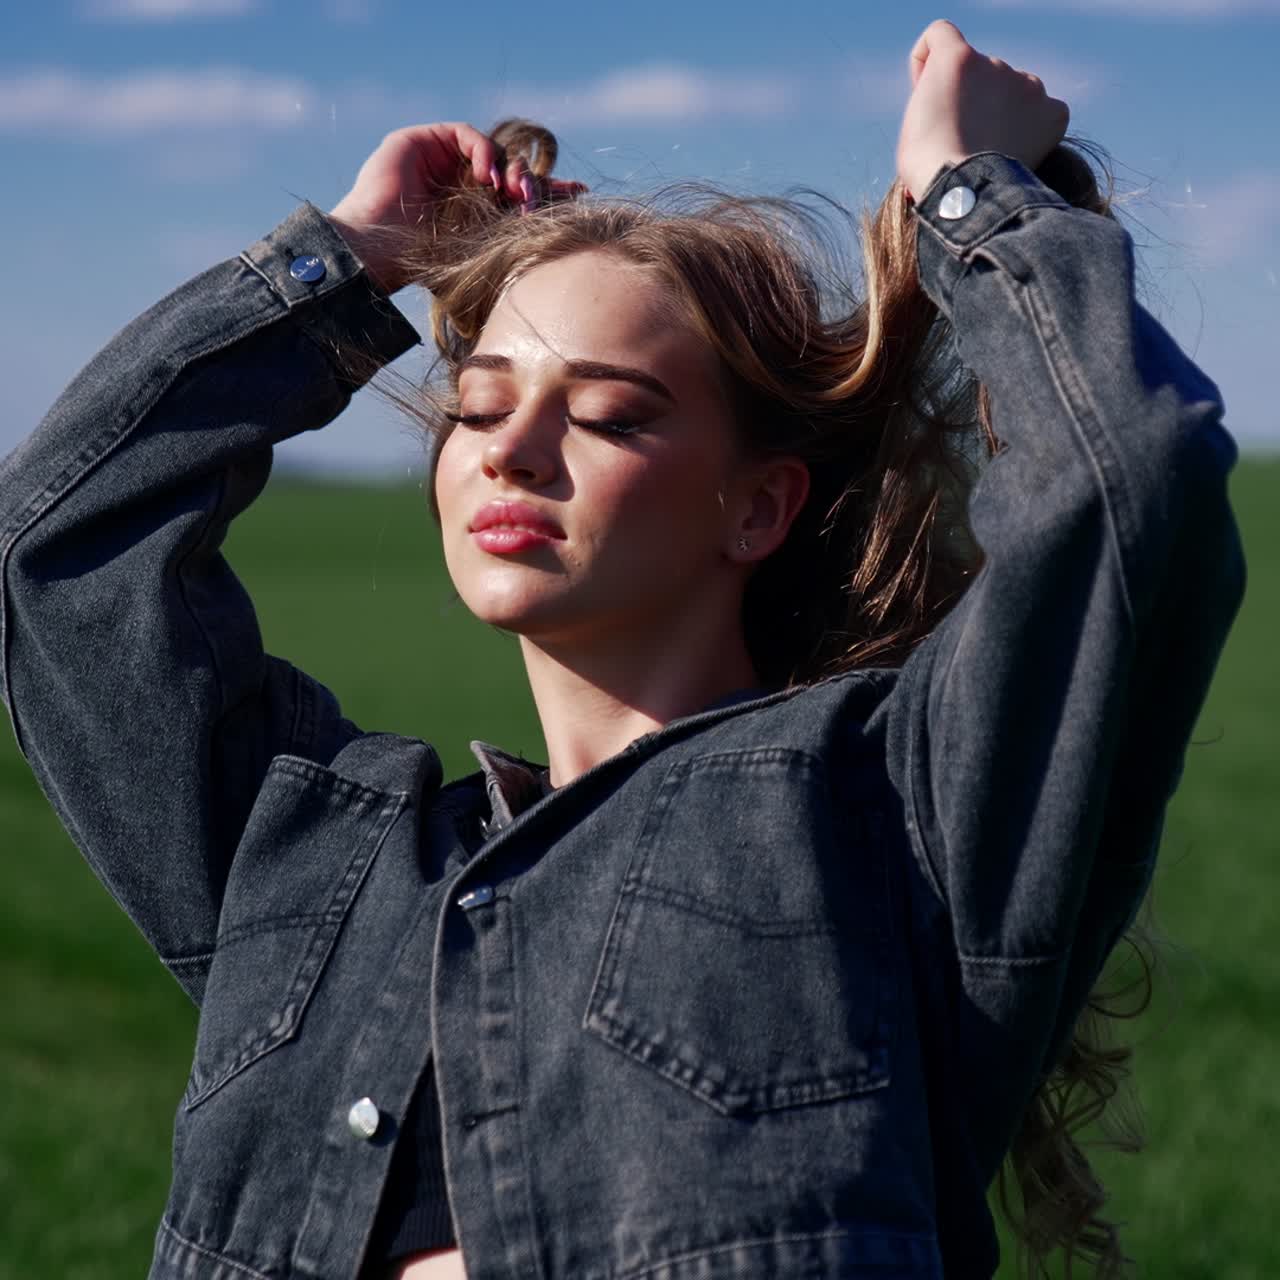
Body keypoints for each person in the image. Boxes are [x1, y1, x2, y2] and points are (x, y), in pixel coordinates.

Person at [0, 18, 1244, 1280]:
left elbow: (1125, 487)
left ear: (757, 506)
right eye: (480, 403)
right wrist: (349, 260)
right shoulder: (314, 865)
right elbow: (61, 552)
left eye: (605, 413)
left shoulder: (888, 813)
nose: (510, 447)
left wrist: (966, 190)